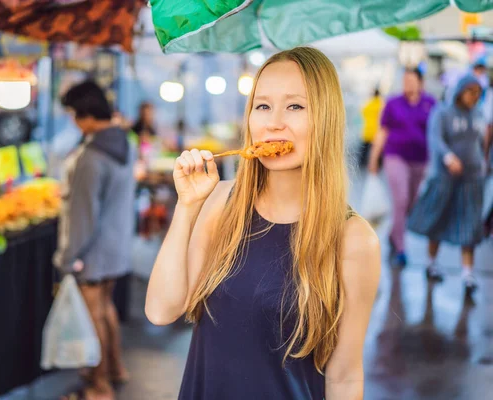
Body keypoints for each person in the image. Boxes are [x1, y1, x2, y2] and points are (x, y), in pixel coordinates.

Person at [145, 47, 381, 400]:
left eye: (295, 106)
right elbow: (161, 310)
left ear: (326, 119)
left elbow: (345, 375)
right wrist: (187, 207)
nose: (274, 123)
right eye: (263, 106)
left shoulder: (353, 239)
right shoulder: (221, 204)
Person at [53, 80, 134, 400]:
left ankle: (99, 386)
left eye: (74, 114)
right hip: (116, 246)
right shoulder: (121, 142)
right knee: (105, 308)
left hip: (94, 251)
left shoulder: (91, 157)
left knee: (93, 316)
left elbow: (83, 218)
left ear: (85, 115)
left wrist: (65, 257)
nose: (73, 121)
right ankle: (116, 368)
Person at [407, 75, 488, 293]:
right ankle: (431, 264)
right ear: (460, 91)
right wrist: (448, 157)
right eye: (470, 92)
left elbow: (482, 142)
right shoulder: (443, 113)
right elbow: (435, 139)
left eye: (477, 94)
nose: (474, 97)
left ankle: (467, 275)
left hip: (472, 179)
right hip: (445, 178)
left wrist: (484, 163)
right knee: (438, 221)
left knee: (469, 224)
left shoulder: (479, 114)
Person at [368, 68, 436, 267]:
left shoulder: (429, 103)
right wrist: (374, 158)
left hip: (420, 160)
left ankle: (392, 234)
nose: (408, 84)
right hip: (395, 157)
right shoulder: (393, 103)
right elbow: (382, 132)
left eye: (411, 80)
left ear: (420, 82)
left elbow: (435, 133)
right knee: (401, 199)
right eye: (405, 80)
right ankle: (401, 248)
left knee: (410, 203)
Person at [359, 88, 383, 167]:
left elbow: (363, 111)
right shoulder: (381, 104)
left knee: (364, 149)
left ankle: (362, 163)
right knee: (378, 150)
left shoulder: (369, 103)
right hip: (377, 132)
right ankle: (379, 164)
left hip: (367, 130)